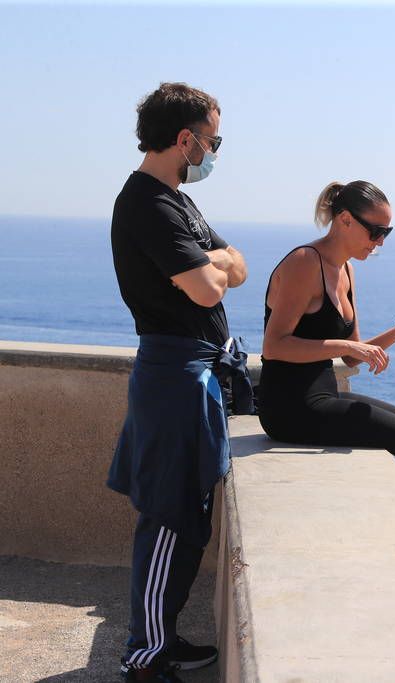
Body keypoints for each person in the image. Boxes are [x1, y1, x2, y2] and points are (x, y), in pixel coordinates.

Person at [107, 82, 249, 683]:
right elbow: (211, 287)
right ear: (185, 138)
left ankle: (163, 640)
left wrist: (209, 262)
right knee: (168, 518)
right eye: (214, 141)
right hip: (174, 376)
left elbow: (238, 264)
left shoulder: (177, 202)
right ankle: (144, 657)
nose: (215, 152)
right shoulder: (149, 203)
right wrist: (208, 266)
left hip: (196, 372)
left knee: (190, 515)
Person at [258, 180, 395, 505]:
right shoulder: (304, 263)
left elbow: (355, 355)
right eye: (375, 231)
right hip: (289, 408)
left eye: (387, 232)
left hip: (323, 395)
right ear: (344, 219)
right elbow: (275, 346)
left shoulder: (345, 270)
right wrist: (345, 347)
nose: (379, 242)